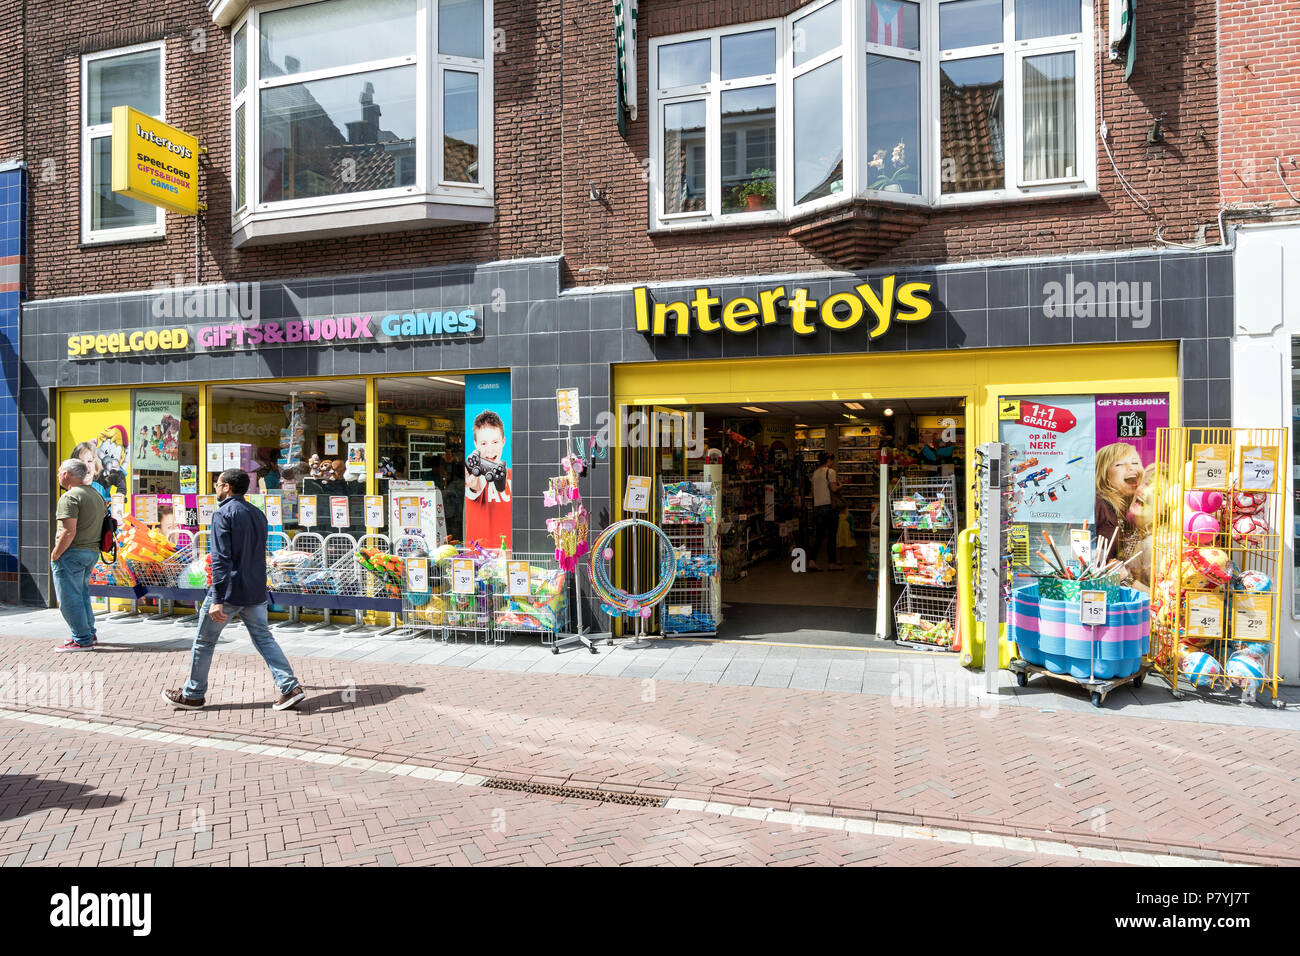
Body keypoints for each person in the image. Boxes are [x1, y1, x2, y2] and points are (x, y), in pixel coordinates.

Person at [162, 468, 306, 711]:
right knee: (264, 639)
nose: (216, 488)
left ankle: (193, 694)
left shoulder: (223, 514)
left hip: (229, 591)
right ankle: (290, 687)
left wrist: (217, 598)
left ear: (227, 487)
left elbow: (220, 559)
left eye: (218, 484)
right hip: (255, 588)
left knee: (204, 642)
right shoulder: (257, 513)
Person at [51, 459, 107, 651]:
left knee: (69, 599)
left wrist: (55, 553)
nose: (58, 475)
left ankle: (82, 639)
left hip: (71, 553)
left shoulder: (69, 497)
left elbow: (68, 532)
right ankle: (89, 633)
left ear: (67, 474)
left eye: (60, 472)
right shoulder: (96, 494)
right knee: (81, 594)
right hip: (91, 552)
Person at [465, 411, 512, 549]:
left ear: (503, 442)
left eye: (495, 442)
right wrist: (473, 476)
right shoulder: (473, 473)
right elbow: (474, 485)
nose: (490, 448)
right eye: (484, 443)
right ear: (476, 444)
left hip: (509, 556)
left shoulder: (512, 476)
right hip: (479, 558)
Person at [1095, 442, 1144, 564]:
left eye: (1135, 462)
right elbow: (1103, 565)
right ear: (1104, 474)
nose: (1131, 468)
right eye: (1120, 464)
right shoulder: (1101, 507)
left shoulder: (1132, 507)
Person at [808, 451, 842, 571]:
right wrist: (840, 486)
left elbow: (813, 491)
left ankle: (812, 561)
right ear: (828, 460)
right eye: (831, 460)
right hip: (829, 507)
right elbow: (833, 488)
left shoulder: (815, 473)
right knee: (832, 536)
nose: (832, 462)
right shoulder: (830, 472)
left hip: (817, 507)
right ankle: (832, 563)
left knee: (818, 536)